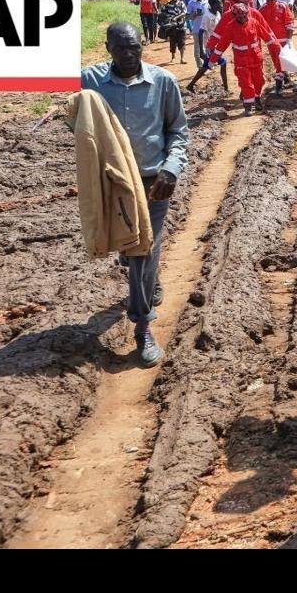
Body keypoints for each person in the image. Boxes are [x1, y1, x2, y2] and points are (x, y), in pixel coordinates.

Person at [81, 23, 189, 366]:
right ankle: (145, 275)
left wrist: (171, 170)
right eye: (121, 48)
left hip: (153, 182)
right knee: (132, 247)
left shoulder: (163, 82)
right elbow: (78, 118)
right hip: (113, 183)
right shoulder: (91, 83)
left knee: (143, 249)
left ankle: (142, 325)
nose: (129, 55)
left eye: (135, 48)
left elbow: (179, 133)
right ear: (108, 47)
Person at [204, 0, 283, 115]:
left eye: (245, 15)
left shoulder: (254, 18)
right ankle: (249, 105)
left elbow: (267, 34)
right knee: (246, 83)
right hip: (241, 59)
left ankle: (256, 98)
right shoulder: (230, 24)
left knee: (259, 81)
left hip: (256, 57)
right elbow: (221, 42)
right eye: (239, 16)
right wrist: (212, 58)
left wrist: (278, 48)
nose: (243, 18)